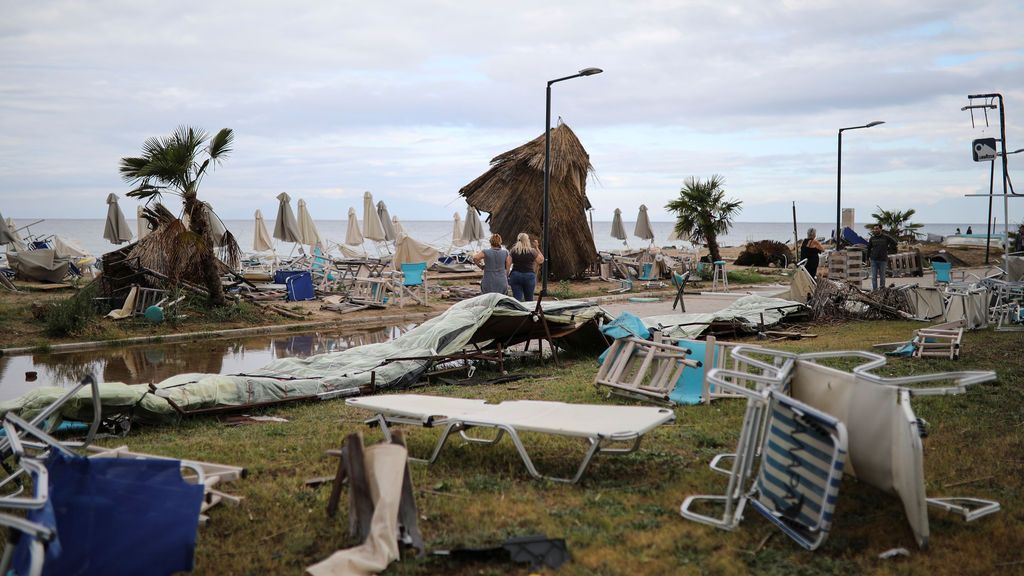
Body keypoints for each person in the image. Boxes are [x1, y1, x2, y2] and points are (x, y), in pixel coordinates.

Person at [508, 232, 544, 302]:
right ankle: (529, 312)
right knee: (529, 300)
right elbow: (541, 260)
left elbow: (508, 263)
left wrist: (507, 274)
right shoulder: (532, 251)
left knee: (517, 300)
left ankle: (518, 312)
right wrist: (537, 247)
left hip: (516, 275)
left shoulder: (513, 250)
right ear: (527, 240)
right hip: (529, 276)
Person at [867, 225, 897, 291]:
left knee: (882, 277)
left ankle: (882, 290)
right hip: (874, 260)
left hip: (883, 260)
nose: (875, 230)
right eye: (874, 229)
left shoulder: (886, 237)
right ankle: (875, 291)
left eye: (877, 229)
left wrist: (889, 250)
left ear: (880, 229)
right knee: (874, 277)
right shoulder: (872, 238)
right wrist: (867, 259)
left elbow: (895, 243)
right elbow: (868, 249)